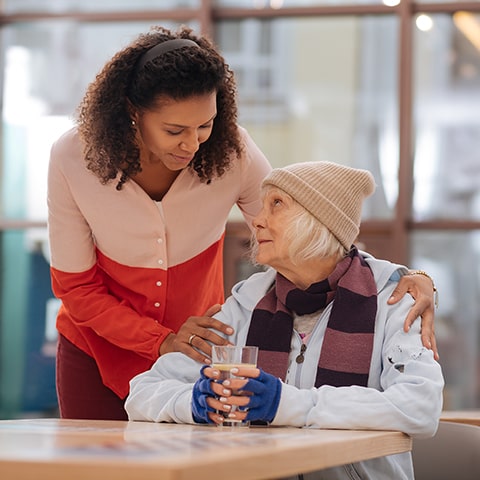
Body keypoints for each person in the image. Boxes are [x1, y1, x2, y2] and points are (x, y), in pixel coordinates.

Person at [47, 25, 438, 421]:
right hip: (96, 349)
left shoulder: (232, 151)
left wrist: (401, 279)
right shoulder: (72, 159)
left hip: (197, 345)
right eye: (174, 130)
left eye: (205, 125)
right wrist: (160, 340)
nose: (193, 143)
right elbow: (75, 286)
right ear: (132, 111)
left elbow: (305, 232)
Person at [125, 162, 444, 480]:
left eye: (276, 205)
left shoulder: (394, 299)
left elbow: (420, 405)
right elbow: (142, 393)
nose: (257, 221)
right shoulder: (244, 305)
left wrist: (288, 404)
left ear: (320, 221)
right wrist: (194, 403)